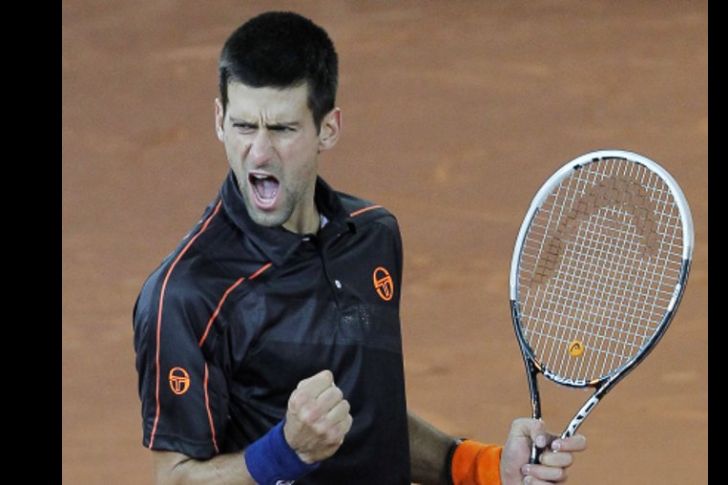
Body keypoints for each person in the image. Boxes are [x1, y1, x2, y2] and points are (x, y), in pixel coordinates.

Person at [133, 11, 587, 485]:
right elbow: (176, 478)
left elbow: (373, 419)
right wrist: (284, 453)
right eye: (244, 126)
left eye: (284, 129)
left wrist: (482, 467)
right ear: (219, 121)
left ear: (328, 129)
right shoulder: (186, 294)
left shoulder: (372, 237)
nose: (260, 152)